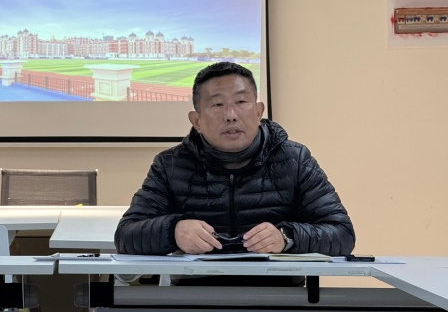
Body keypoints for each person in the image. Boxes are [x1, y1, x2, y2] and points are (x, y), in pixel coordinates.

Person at [115, 62, 355, 263]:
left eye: (241, 102)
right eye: (217, 105)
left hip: (278, 294)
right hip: (195, 294)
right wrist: (173, 231)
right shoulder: (171, 165)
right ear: (196, 121)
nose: (231, 115)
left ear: (258, 111)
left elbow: (342, 234)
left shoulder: (294, 159)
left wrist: (287, 237)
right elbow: (126, 236)